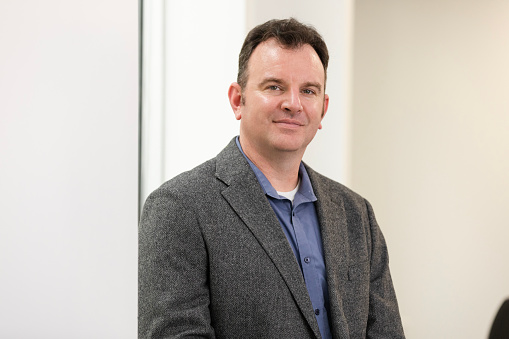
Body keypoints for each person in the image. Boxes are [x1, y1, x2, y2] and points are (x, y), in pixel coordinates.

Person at [139, 18, 405, 339]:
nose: (293, 103)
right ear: (238, 100)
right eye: (274, 86)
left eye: (308, 91)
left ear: (323, 110)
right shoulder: (179, 208)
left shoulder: (356, 214)